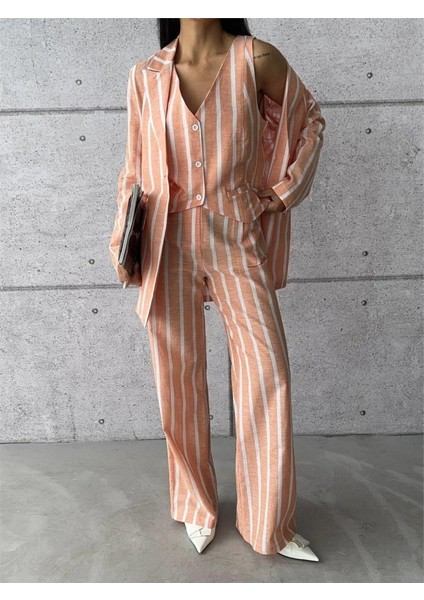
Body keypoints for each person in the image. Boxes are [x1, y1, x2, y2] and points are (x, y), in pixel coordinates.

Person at [110, 18, 326, 560]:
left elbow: (308, 118)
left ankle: (270, 523)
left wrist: (282, 192)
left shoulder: (256, 59)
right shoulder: (146, 75)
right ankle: (195, 505)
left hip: (236, 235)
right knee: (176, 377)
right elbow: (134, 168)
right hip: (165, 242)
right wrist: (122, 242)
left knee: (267, 371)